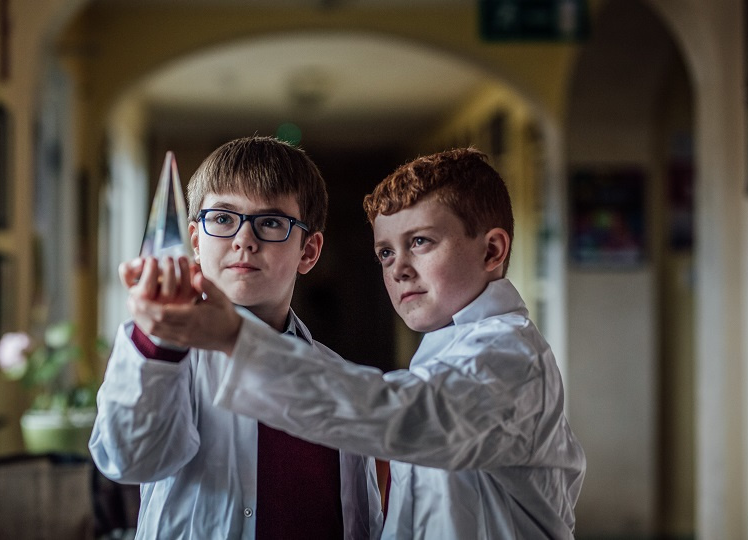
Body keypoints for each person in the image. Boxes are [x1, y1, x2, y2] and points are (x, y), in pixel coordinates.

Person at [140, 147, 586, 538]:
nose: (399, 269)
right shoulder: (443, 354)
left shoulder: (510, 358)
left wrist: (237, 337)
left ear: (491, 251)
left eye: (421, 242)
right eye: (386, 253)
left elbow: (405, 416)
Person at [89, 136, 383, 539]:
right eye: (224, 219)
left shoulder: (336, 377)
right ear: (195, 240)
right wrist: (157, 341)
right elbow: (130, 461)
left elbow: (362, 518)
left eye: (272, 222)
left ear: (308, 252)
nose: (245, 239)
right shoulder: (163, 354)